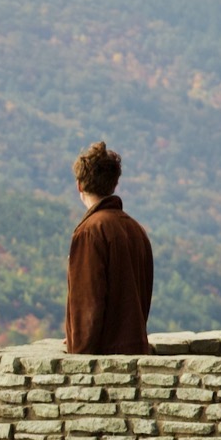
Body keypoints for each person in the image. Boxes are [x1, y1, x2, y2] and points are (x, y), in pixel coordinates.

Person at [65, 141, 153, 354]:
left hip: (105, 364)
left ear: (79, 185)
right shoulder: (136, 230)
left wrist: (78, 348)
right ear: (113, 184)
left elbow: (87, 301)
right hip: (136, 356)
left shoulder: (90, 232)